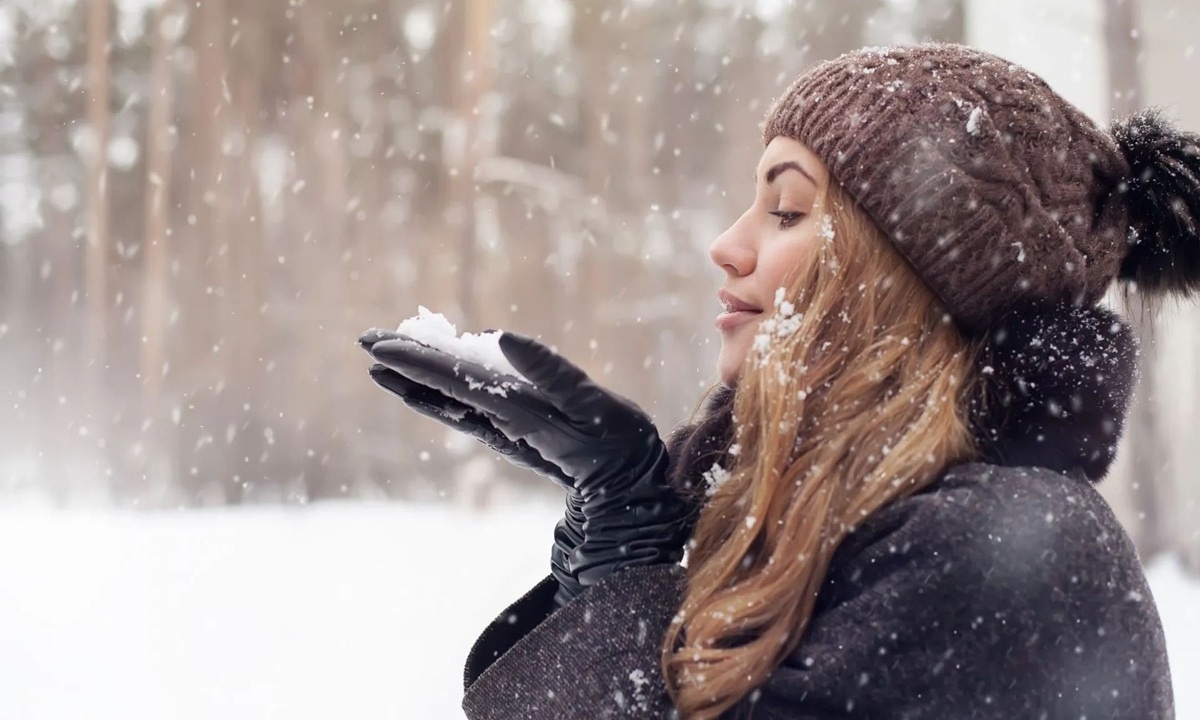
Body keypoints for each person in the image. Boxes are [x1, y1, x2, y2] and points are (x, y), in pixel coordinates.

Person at [359, 43, 1194, 719]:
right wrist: (627, 548)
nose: (726, 244)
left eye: (787, 210)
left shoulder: (1012, 554)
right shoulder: (843, 527)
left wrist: (627, 581)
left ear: (908, 280)